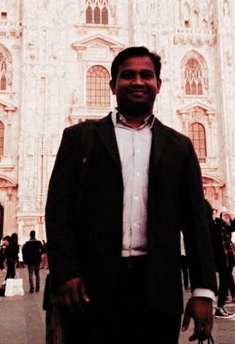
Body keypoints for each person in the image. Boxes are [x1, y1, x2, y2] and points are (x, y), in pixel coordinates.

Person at [45, 46, 217, 344]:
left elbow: (196, 223)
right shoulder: (78, 138)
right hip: (89, 290)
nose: (138, 81)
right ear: (113, 85)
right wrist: (65, 272)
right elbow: (58, 212)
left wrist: (203, 291)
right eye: (128, 75)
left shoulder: (179, 146)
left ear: (158, 85)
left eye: (146, 75)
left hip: (157, 291)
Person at [212, 210, 235, 318]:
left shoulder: (223, 227)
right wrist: (216, 219)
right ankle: (219, 307)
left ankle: (221, 306)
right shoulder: (213, 227)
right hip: (221, 259)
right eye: (213, 213)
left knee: (225, 282)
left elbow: (234, 227)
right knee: (224, 281)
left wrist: (231, 217)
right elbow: (215, 229)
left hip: (228, 258)